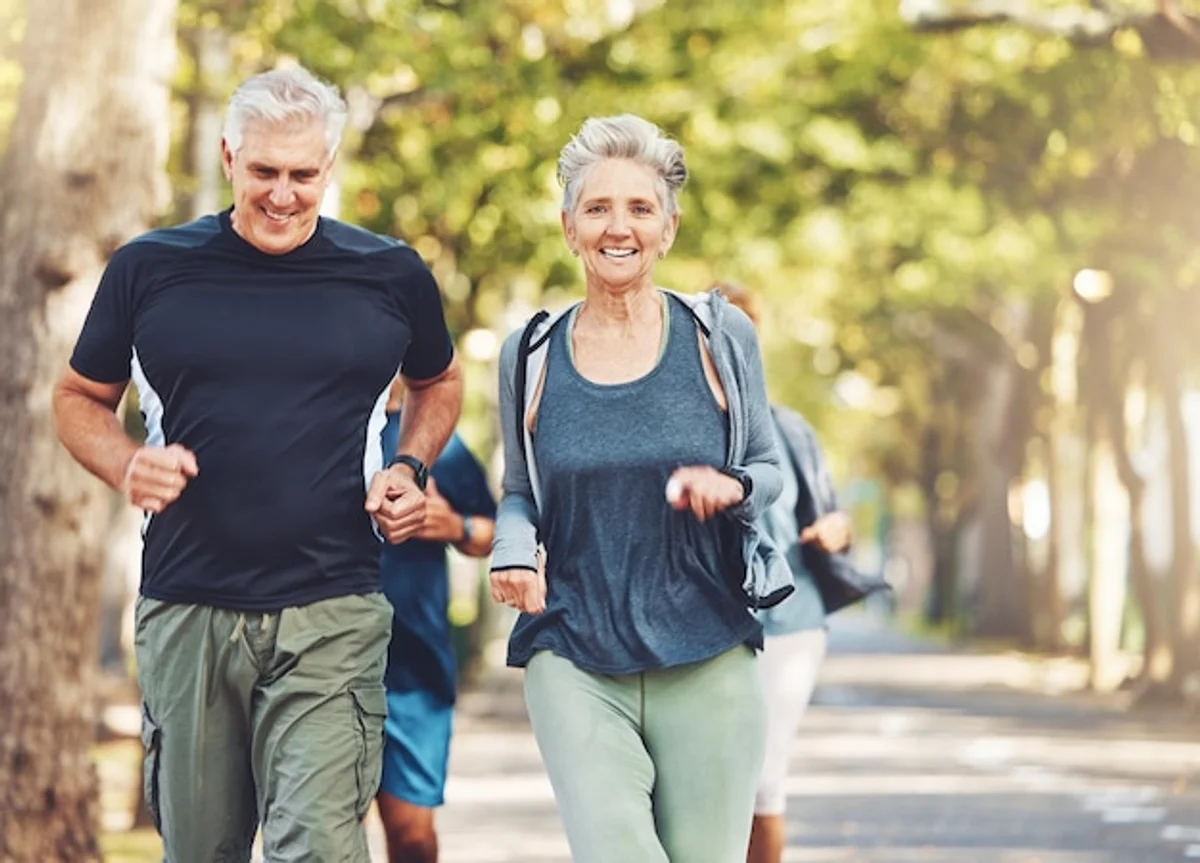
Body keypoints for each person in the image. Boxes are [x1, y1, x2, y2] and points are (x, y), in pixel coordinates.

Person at [51, 65, 463, 862]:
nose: (283, 194)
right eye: (265, 171)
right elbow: (76, 398)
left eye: (304, 174)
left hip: (333, 607)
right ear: (229, 156)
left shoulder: (389, 274)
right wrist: (127, 463)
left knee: (318, 847)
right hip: (188, 609)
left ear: (330, 169)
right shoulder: (150, 269)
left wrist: (409, 465)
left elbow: (438, 379)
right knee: (202, 850)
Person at [488, 114, 794, 863]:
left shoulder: (718, 338)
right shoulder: (529, 353)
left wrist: (732, 485)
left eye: (639, 208)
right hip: (574, 647)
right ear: (568, 227)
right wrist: (511, 549)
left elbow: (771, 469)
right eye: (596, 208)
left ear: (669, 228)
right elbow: (520, 490)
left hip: (709, 645)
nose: (617, 227)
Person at [713, 282, 884, 863]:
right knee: (701, 781)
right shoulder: (680, 429)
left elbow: (830, 517)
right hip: (703, 626)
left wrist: (837, 529)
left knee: (762, 779)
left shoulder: (789, 429)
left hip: (791, 622)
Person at [375, 380, 496, 863]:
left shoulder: (435, 440)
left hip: (413, 668)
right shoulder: (318, 420)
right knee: (322, 831)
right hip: (323, 659)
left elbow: (494, 530)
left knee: (412, 836)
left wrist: (457, 527)